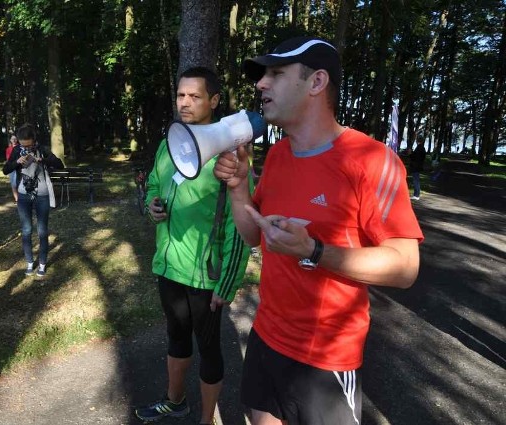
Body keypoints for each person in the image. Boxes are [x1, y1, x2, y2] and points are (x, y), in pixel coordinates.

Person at [214, 36, 423, 425]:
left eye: (276, 73)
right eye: (263, 75)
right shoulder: (277, 155)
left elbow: (405, 267)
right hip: (266, 337)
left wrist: (313, 250)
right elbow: (251, 235)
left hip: (326, 359)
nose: (261, 84)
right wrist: (239, 187)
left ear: (316, 82)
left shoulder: (372, 159)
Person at [134, 67, 252, 425]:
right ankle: (175, 401)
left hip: (206, 277)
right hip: (168, 266)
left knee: (210, 348)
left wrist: (228, 283)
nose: (185, 103)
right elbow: (155, 184)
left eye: (195, 96)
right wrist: (151, 205)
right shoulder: (167, 142)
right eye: (181, 95)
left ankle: (206, 420)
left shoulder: (230, 155)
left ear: (214, 101)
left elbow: (240, 225)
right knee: (175, 336)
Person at [2, 124, 63, 278]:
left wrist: (43, 160)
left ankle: (42, 263)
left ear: (34, 140)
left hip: (42, 195)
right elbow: (5, 170)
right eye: (23, 145)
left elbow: (59, 164)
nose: (26, 148)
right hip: (23, 196)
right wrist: (17, 162)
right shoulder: (16, 150)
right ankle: (30, 262)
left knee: (42, 231)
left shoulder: (42, 149)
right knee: (26, 230)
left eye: (29, 145)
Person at [408, 135, 426, 200]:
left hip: (416, 166)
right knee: (416, 180)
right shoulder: (422, 148)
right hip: (418, 166)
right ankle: (416, 194)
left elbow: (415, 158)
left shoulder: (419, 148)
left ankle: (416, 195)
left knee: (416, 181)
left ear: (417, 141)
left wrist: (410, 154)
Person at [6, 134, 20, 202]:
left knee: (19, 183)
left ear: (17, 140)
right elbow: (8, 159)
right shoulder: (8, 149)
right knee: (13, 184)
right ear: (10, 140)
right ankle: (17, 199)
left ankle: (22, 198)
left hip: (19, 167)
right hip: (12, 168)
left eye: (15, 139)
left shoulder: (20, 147)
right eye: (12, 139)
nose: (14, 140)